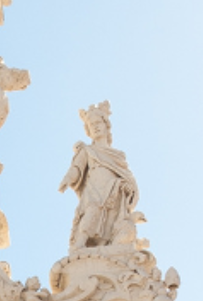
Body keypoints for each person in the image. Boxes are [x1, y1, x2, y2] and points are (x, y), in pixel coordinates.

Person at [57, 101, 140, 250]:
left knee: (111, 215)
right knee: (92, 211)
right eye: (91, 125)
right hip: (93, 190)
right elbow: (77, 167)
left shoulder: (118, 155)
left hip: (113, 191)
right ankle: (80, 244)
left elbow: (127, 177)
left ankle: (105, 246)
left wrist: (128, 187)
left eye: (98, 123)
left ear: (106, 126)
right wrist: (67, 179)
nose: (95, 127)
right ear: (88, 130)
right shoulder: (87, 150)